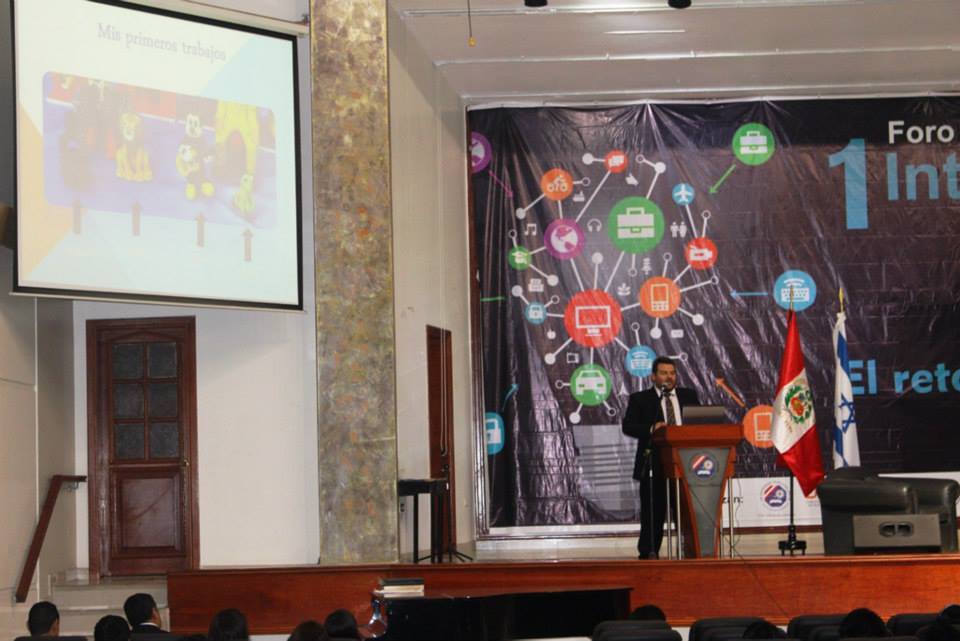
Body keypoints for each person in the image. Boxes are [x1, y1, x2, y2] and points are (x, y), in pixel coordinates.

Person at [622, 356, 699, 559]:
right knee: (653, 514)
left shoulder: (689, 396)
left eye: (672, 373)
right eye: (664, 373)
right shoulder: (641, 399)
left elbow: (700, 424)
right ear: (653, 376)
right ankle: (649, 554)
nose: (669, 377)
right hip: (654, 466)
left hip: (686, 466)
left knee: (687, 514)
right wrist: (651, 428)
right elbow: (628, 426)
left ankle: (693, 553)